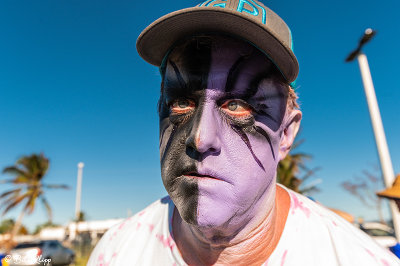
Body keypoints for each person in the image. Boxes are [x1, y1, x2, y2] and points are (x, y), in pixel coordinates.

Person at [88, 0, 400, 265]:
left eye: (237, 105)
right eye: (182, 102)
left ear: (287, 133)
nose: (200, 138)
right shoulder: (114, 253)